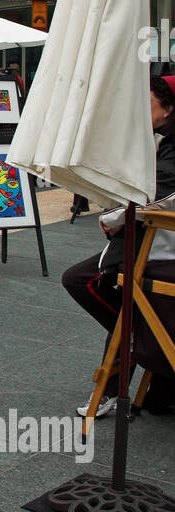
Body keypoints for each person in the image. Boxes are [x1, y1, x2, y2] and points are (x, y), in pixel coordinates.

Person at [64, 75, 175, 417]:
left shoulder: (170, 140)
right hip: (150, 239)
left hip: (160, 246)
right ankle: (138, 340)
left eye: (149, 105)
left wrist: (113, 217)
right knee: (121, 304)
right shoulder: (153, 136)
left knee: (89, 284)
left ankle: (133, 342)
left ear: (168, 107)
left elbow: (158, 192)